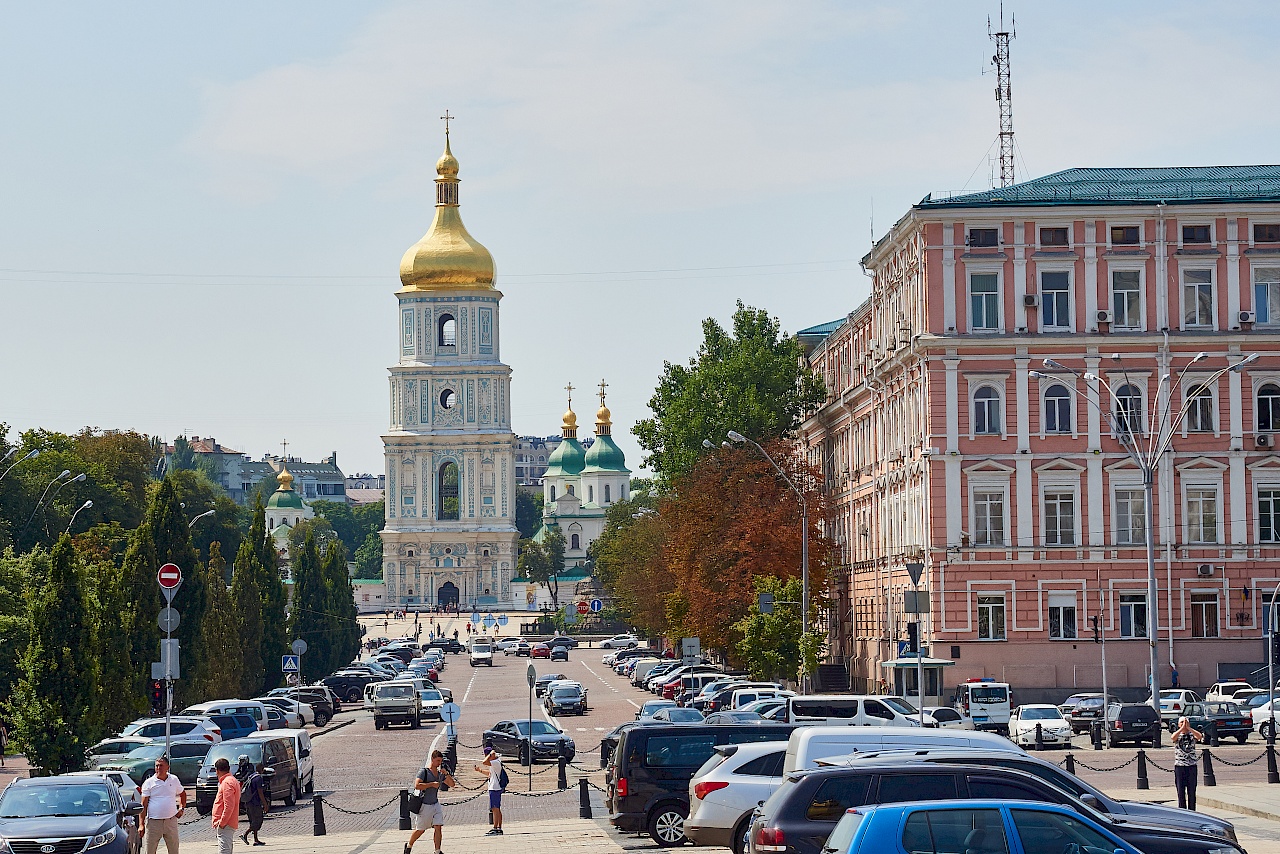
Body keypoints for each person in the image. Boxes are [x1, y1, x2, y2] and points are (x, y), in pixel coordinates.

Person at [407, 749, 456, 854]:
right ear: (432, 759)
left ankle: (437, 851)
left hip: (435, 804)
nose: (439, 763)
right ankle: (409, 845)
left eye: (440, 761)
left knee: (438, 826)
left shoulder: (440, 774)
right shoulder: (424, 772)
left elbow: (452, 784)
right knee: (421, 829)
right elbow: (417, 785)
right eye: (438, 761)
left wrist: (446, 774)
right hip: (424, 805)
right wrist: (431, 784)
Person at [140, 755, 186, 854]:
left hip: (171, 821)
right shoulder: (149, 783)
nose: (158, 768)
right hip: (153, 823)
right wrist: (141, 824)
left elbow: (182, 793)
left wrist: (181, 808)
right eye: (156, 766)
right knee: (149, 851)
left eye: (161, 766)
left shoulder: (174, 779)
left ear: (167, 767)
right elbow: (143, 805)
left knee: (174, 850)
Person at [1173, 716, 1205, 810]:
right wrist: (1182, 729)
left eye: (1186, 722)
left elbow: (1199, 736)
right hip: (1180, 766)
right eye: (1182, 722)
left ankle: (1192, 810)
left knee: (1192, 791)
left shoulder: (1192, 734)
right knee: (1181, 791)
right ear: (1179, 724)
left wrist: (1189, 728)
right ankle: (1182, 811)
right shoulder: (1177, 735)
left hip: (1191, 766)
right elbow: (1172, 738)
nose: (1184, 724)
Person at [210, 756, 241, 854]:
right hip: (228, 822)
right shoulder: (231, 780)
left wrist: (222, 822)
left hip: (226, 824)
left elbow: (229, 806)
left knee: (224, 851)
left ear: (217, 770)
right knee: (227, 849)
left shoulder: (227, 783)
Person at [475, 744, 504, 835]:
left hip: (495, 788)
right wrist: (480, 770)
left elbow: (484, 762)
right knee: (497, 808)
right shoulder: (494, 763)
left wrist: (490, 755)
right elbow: (490, 773)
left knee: (495, 808)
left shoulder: (495, 762)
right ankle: (498, 827)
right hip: (494, 787)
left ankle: (496, 827)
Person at [242, 761, 269, 845]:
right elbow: (260, 792)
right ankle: (245, 834)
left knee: (253, 820)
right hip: (255, 803)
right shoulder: (259, 778)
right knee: (258, 820)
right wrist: (265, 804)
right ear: (262, 769)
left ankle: (256, 839)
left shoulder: (251, 776)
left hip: (248, 802)